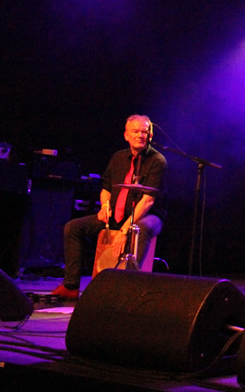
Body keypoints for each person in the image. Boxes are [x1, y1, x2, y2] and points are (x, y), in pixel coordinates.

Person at [52, 115, 166, 299]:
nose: (140, 135)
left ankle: (130, 287)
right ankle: (71, 285)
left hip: (149, 215)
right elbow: (106, 188)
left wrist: (125, 229)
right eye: (135, 132)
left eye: (144, 132)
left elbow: (148, 201)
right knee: (73, 227)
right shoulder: (118, 158)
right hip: (117, 214)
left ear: (150, 135)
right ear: (126, 135)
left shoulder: (157, 160)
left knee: (140, 229)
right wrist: (105, 205)